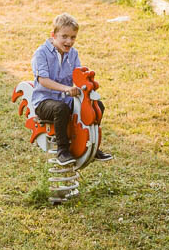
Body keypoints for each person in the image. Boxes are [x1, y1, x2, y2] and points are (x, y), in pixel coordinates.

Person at [29, 12, 112, 165]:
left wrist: (86, 88)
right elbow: (43, 80)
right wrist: (66, 89)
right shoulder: (41, 53)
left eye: (73, 37)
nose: (69, 41)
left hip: (66, 100)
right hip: (44, 101)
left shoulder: (73, 54)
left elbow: (77, 75)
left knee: (96, 106)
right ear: (53, 35)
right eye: (64, 36)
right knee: (60, 109)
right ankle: (63, 150)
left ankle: (91, 146)